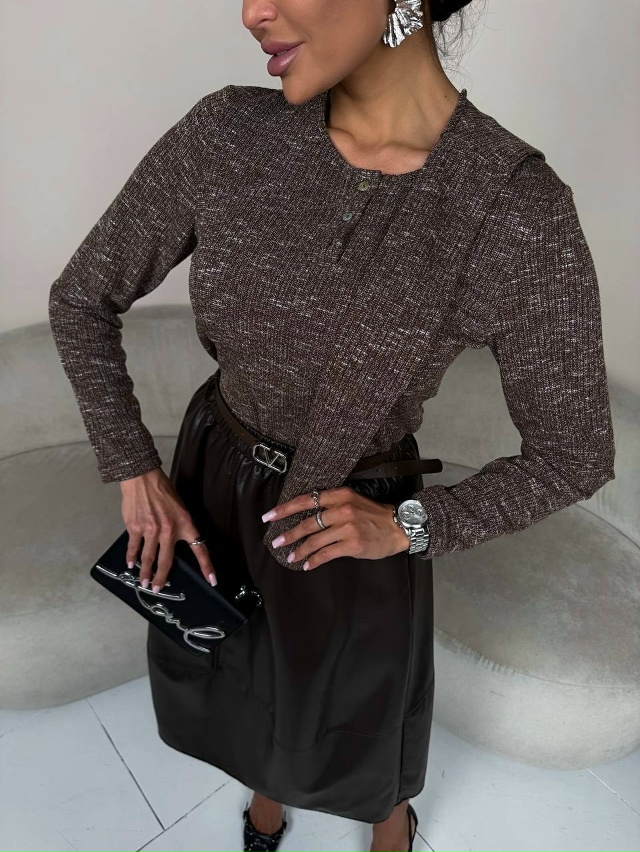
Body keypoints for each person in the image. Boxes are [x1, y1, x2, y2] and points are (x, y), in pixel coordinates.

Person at [48, 1, 616, 851]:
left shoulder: (515, 214)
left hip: (353, 519)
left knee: (357, 712)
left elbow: (575, 454)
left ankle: (389, 820)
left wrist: (411, 527)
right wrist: (133, 465)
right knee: (233, 674)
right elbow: (81, 298)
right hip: (214, 477)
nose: (252, 11)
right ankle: (264, 798)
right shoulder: (229, 134)